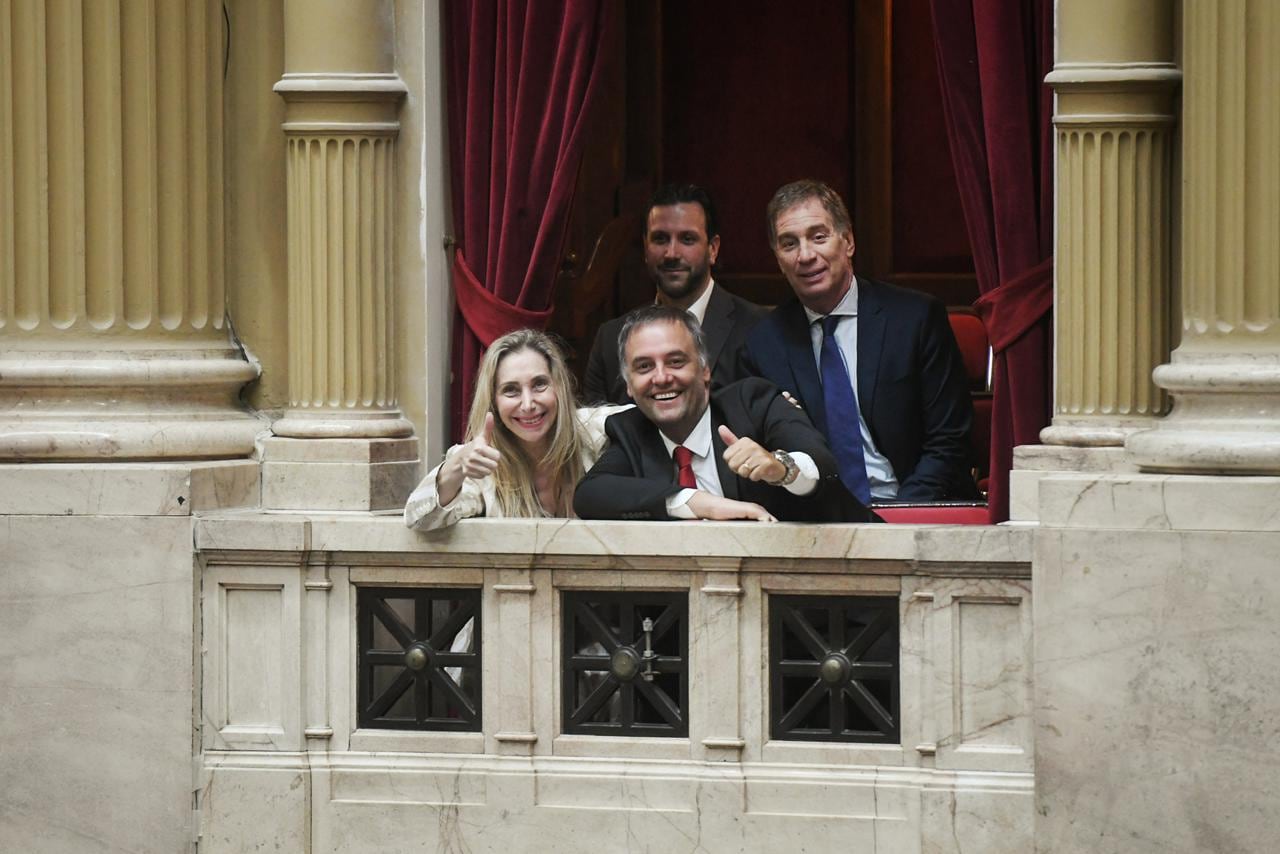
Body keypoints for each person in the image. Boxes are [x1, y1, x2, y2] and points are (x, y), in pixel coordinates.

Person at [743, 179, 977, 503]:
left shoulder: (915, 319)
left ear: (848, 241)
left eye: (819, 237)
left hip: (917, 505)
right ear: (778, 259)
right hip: (819, 517)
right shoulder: (763, 344)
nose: (805, 255)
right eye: (789, 244)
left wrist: (902, 515)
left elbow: (949, 439)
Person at [574, 306, 877, 523]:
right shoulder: (630, 429)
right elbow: (590, 494)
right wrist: (696, 502)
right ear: (628, 385)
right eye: (644, 367)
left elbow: (822, 465)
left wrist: (781, 468)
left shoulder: (752, 402)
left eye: (676, 361)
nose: (662, 377)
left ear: (705, 370)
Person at [405, 329, 628, 530]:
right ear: (493, 401)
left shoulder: (597, 430)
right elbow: (419, 519)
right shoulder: (480, 463)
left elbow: (645, 415)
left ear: (559, 387)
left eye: (539, 384)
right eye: (511, 390)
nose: (528, 404)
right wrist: (456, 466)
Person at [583, 183, 764, 405]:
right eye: (660, 239)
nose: (672, 253)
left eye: (687, 239)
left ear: (713, 248)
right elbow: (596, 425)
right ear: (645, 247)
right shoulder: (610, 339)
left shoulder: (759, 330)